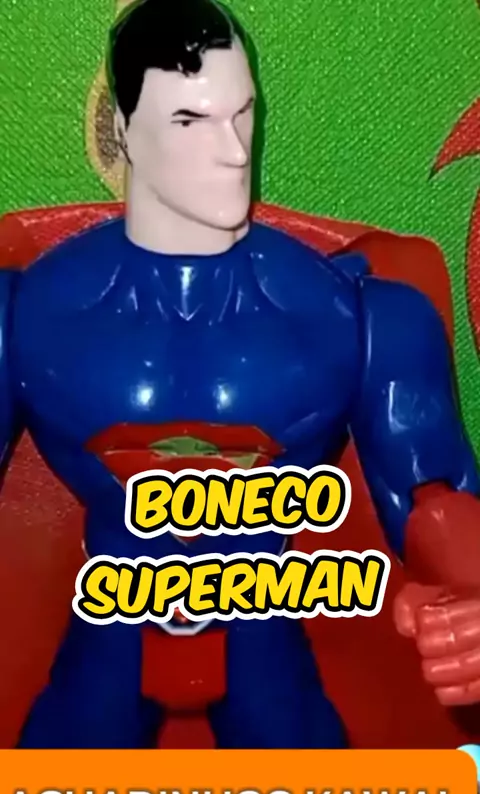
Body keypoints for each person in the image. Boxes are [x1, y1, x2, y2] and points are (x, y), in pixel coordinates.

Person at [5, 0, 480, 748]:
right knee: (51, 787)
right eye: (189, 120)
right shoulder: (28, 315)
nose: (232, 151)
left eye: (243, 113)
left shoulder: (355, 315)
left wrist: (469, 592)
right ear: (123, 130)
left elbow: (433, 496)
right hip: (107, 628)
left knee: (309, 785)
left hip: (266, 622)